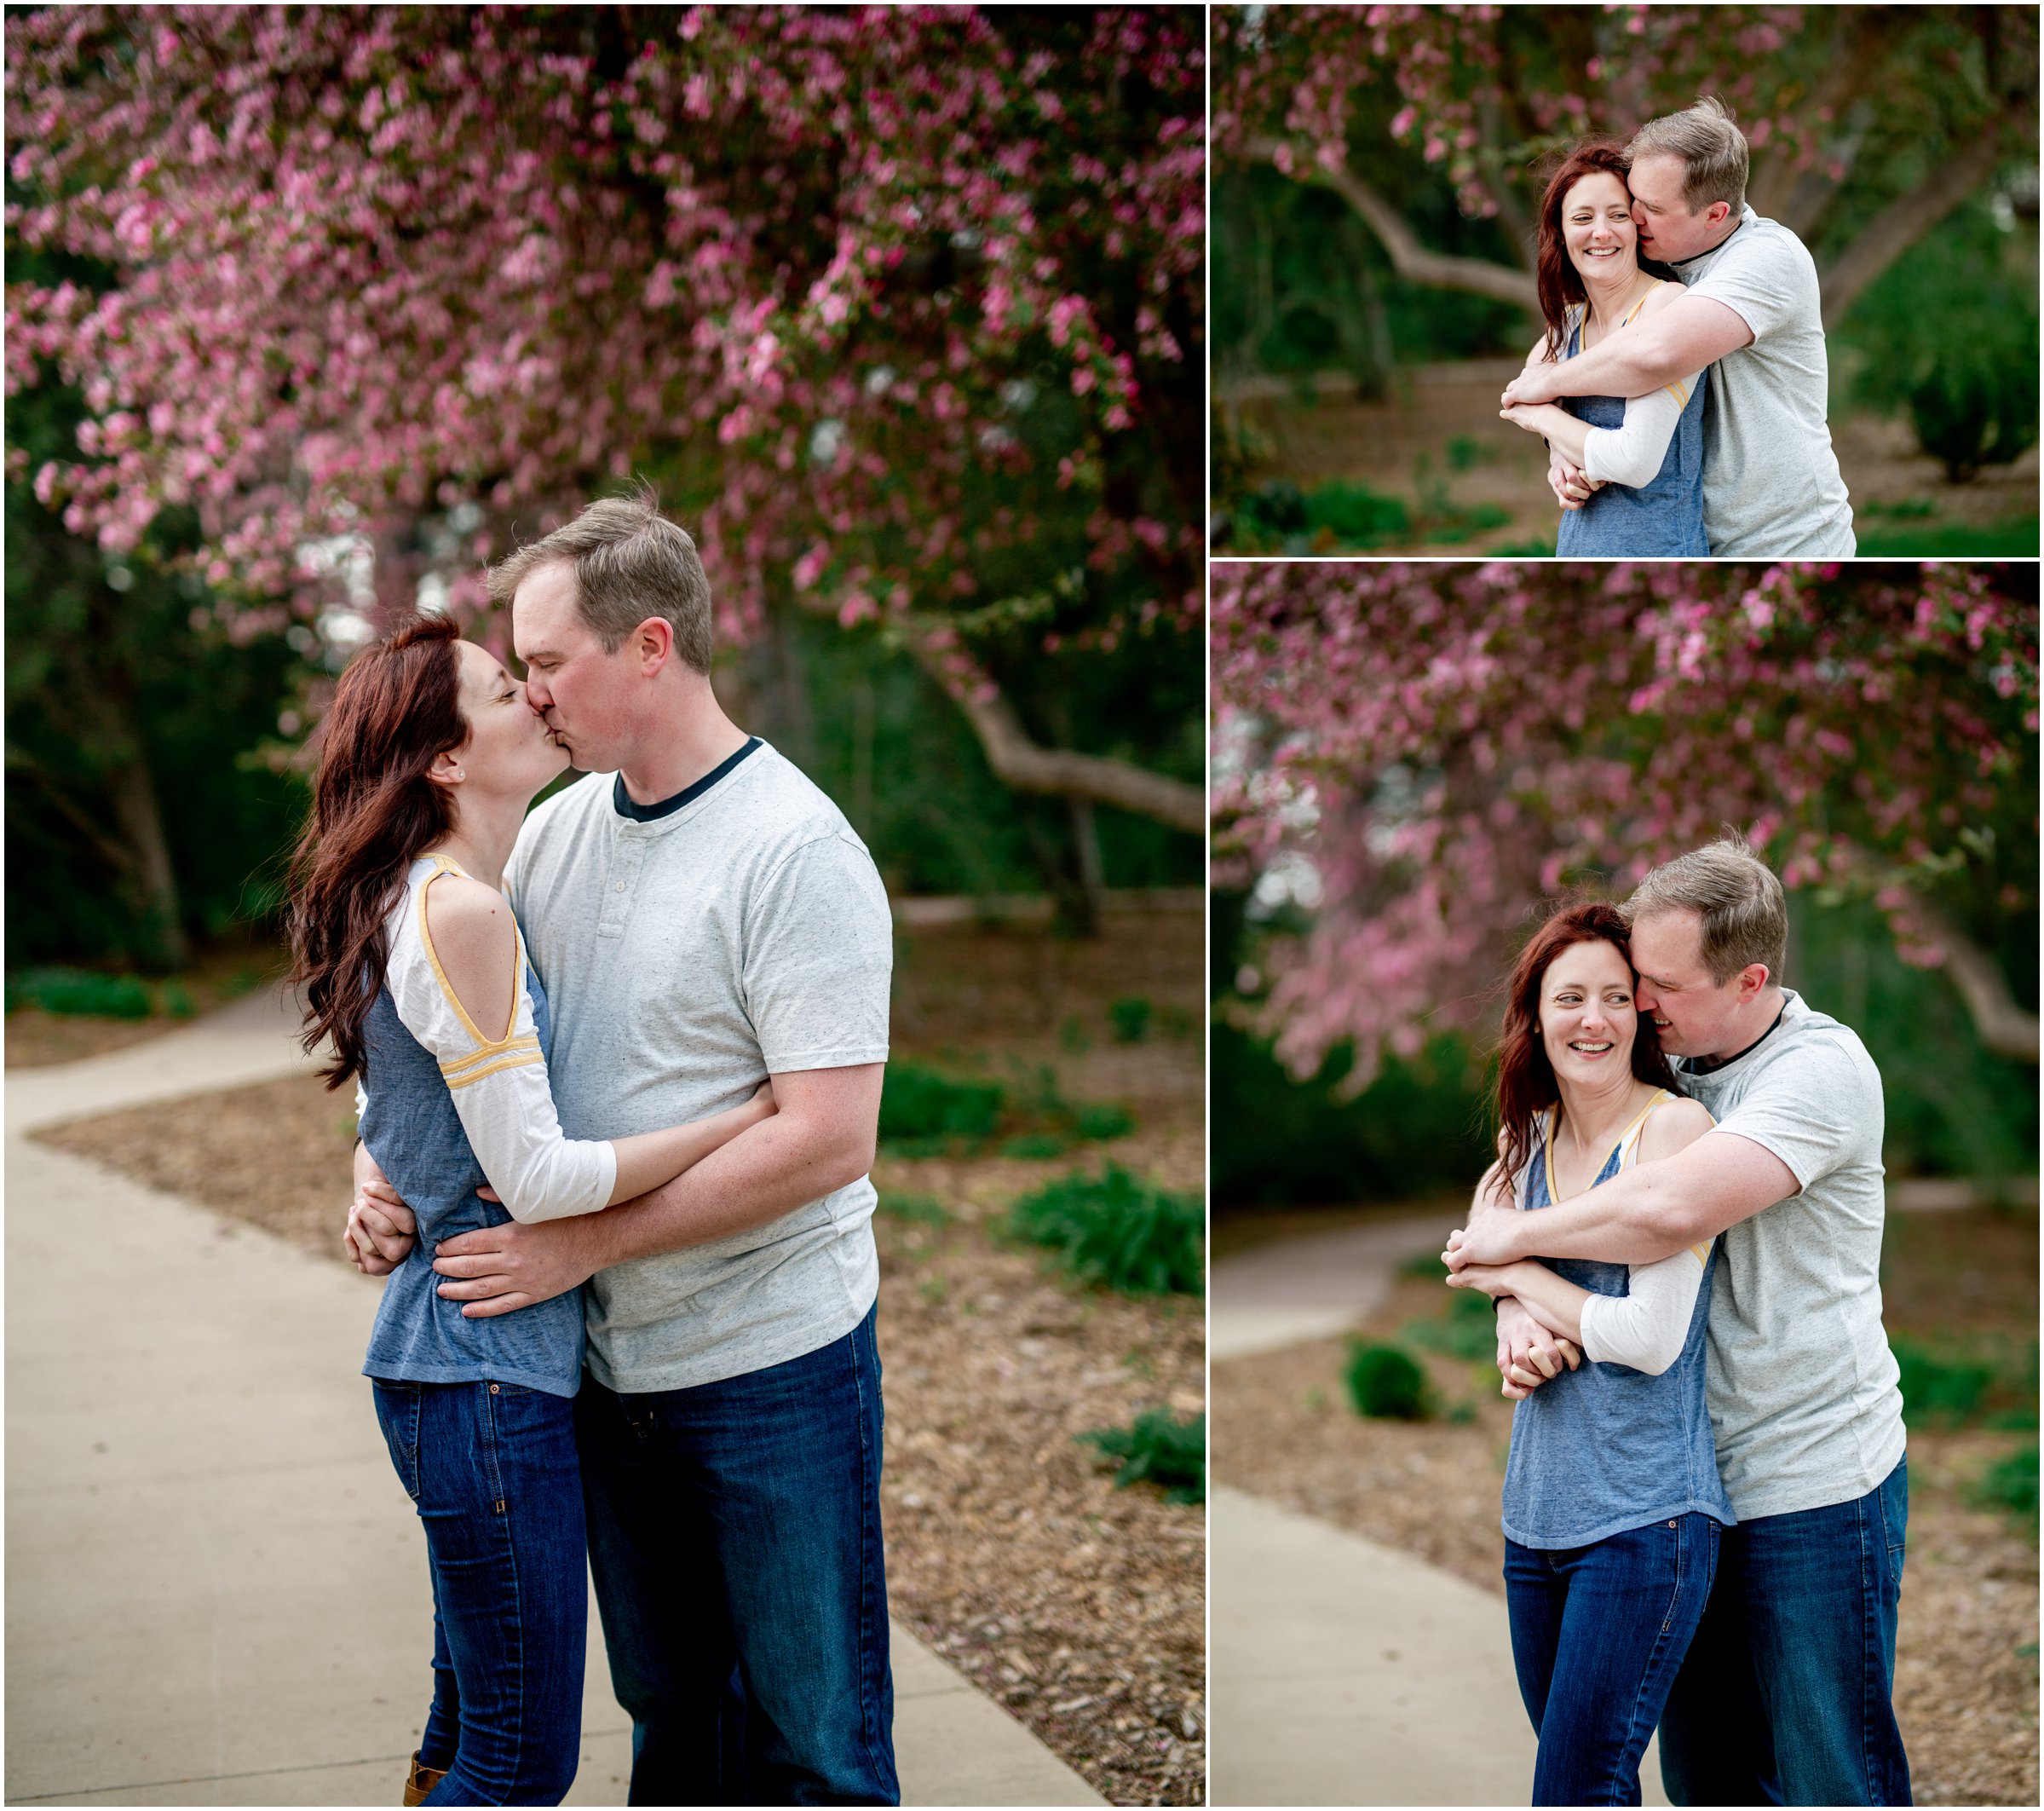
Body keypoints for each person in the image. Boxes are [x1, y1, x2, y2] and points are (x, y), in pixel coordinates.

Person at [347, 487, 900, 1806]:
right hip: (598, 1369)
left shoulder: (794, 850)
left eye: (546, 665)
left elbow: (826, 1139)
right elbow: (449, 1042)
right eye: (521, 673)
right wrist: (376, 1169)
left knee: (813, 1744)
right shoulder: (550, 832)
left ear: (648, 647)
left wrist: (577, 1241)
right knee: (674, 1725)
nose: (531, 698)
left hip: (770, 1363)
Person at [290, 613, 780, 1804]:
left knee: (466, 1723)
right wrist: (743, 1116)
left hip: (449, 1370)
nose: (535, 701)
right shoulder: (463, 910)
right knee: (516, 1763)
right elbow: (545, 1179)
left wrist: (381, 1173)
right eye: (505, 689)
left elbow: (399, 1085)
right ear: (447, 758)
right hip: (483, 1377)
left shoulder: (425, 890)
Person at [1448, 839, 1910, 1807]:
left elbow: (1658, 1212)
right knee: (1709, 1784)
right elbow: (1558, 1170)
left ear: (1749, 980)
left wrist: (1499, 1243)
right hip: (1686, 1476)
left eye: (1659, 984)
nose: (1639, 1004)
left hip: (1808, 1478)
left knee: (1830, 1778)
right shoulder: (1679, 1069)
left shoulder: (1816, 1074)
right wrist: (1507, 1293)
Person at [1439, 902, 1724, 1804]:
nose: (1591, 1018)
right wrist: (1511, 1315)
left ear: (1641, 1014)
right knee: (1592, 1786)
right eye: (1569, 997)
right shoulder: (1519, 1139)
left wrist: (1512, 1269)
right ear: (1534, 1013)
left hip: (1646, 1520)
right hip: (1534, 1517)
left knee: (1571, 1788)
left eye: (1613, 996)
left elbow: (1647, 1339)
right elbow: (1487, 1264)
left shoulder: (1674, 1134)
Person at [1501, 97, 1857, 557]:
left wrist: (1539, 395)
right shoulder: (1668, 257)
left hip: (1787, 539)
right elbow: (1558, 339)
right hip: (1703, 535)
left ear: (1714, 214)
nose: (1634, 219)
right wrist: (1559, 441)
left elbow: (1656, 355)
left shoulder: (1767, 259)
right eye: (1634, 199)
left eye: (1649, 207)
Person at [1498, 143, 1710, 555]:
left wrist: (1537, 415)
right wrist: (1560, 461)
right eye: (1582, 218)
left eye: (1618, 215)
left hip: (1661, 553)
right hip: (1576, 547)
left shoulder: (1668, 307)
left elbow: (1634, 462)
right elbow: (1526, 385)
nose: (1601, 232)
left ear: (1637, 227)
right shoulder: (1568, 324)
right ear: (1559, 232)